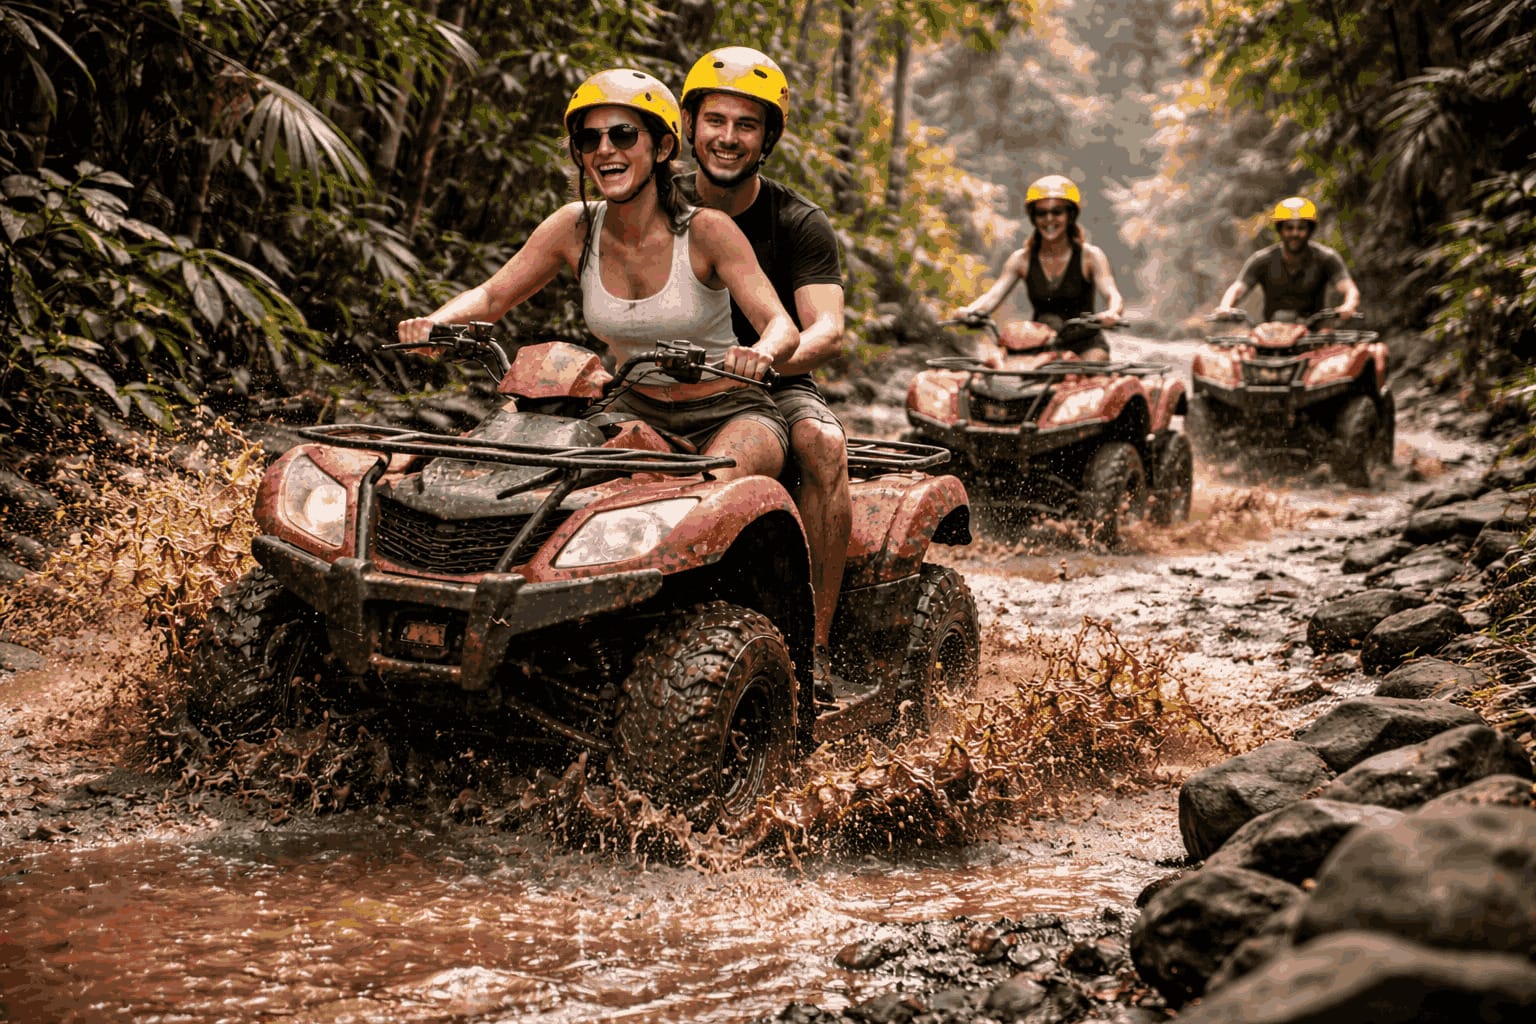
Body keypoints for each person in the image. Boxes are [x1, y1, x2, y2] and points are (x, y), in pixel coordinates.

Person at [397, 68, 799, 481]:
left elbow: (780, 324)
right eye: (589, 139)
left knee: (707, 493)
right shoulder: (574, 227)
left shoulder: (707, 230)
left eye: (623, 135)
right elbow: (491, 296)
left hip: (731, 411)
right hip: (631, 409)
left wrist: (761, 352)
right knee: (524, 470)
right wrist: (434, 324)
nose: (605, 150)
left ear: (662, 148)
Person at [677, 45, 851, 701]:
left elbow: (826, 327)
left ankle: (815, 646)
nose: (728, 137)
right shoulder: (652, 203)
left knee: (822, 444)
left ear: (767, 138)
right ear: (689, 126)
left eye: (746, 125)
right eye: (715, 120)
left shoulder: (797, 221)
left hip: (772, 381)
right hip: (658, 381)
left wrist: (768, 358)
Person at [957, 174, 1125, 361]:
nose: (1049, 219)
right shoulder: (1021, 260)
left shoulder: (1090, 256)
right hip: (1038, 346)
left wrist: (1112, 313)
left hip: (1085, 345)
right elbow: (992, 296)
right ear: (1033, 217)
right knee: (1002, 369)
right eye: (1041, 213)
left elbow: (1112, 293)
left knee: (1093, 365)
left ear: (1070, 215)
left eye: (1057, 212)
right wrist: (970, 311)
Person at [1216, 196, 1360, 323]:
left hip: (1315, 335)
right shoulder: (1261, 260)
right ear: (1280, 230)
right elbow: (1238, 288)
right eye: (1289, 228)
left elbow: (1349, 288)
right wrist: (1225, 306)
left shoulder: (1326, 258)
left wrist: (1349, 305)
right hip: (1271, 333)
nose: (1295, 233)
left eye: (1301, 228)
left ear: (1310, 230)